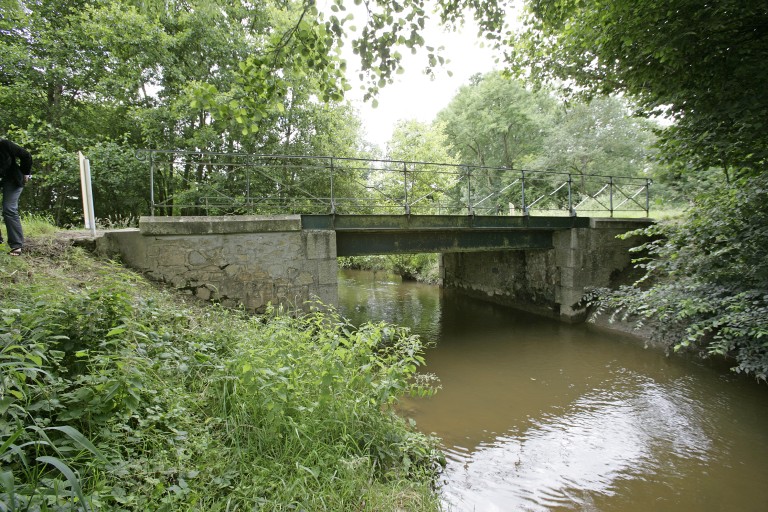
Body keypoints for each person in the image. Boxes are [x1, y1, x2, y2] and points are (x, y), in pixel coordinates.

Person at [0, 138, 33, 256]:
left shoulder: (4, 144)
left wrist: (26, 173)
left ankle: (16, 246)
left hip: (12, 178)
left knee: (9, 208)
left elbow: (26, 155)